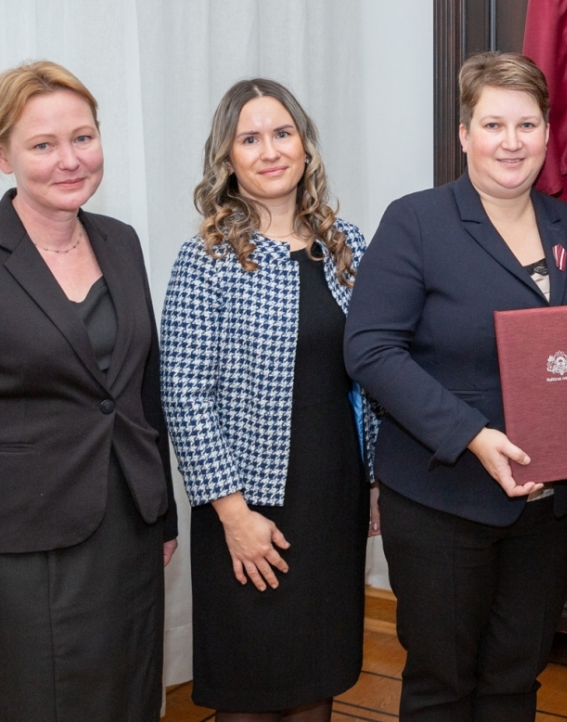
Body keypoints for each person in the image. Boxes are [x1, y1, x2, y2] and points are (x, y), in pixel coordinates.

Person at [0, 60, 178, 720]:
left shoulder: (122, 242)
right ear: (2, 154)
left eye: (83, 137)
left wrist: (159, 513)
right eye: (43, 145)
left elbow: (139, 391)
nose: (69, 160)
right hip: (15, 564)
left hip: (125, 541)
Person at [344, 52, 567, 721]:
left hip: (545, 507)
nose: (511, 142)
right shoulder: (417, 222)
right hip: (443, 498)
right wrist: (472, 436)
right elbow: (370, 349)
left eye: (527, 124)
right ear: (464, 135)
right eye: (493, 124)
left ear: (548, 133)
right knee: (443, 685)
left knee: (517, 680)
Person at [160, 79, 379, 722]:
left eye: (282, 134)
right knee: (251, 690)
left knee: (318, 677)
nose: (269, 150)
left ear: (304, 147)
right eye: (249, 139)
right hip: (249, 507)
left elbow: (371, 376)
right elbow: (184, 393)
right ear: (227, 159)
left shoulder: (349, 246)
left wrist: (373, 481)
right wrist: (233, 515)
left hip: (332, 497)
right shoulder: (206, 257)